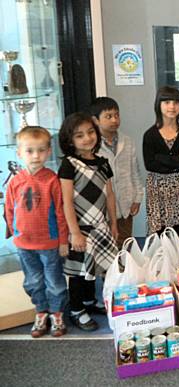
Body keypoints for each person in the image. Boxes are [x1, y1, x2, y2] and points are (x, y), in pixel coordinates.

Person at [5, 126, 69, 337]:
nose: (35, 156)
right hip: (24, 244)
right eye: (30, 151)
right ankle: (41, 311)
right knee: (33, 281)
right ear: (19, 153)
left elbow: (60, 212)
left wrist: (62, 240)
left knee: (54, 281)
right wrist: (12, 234)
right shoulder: (15, 181)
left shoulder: (52, 180)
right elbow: (9, 209)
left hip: (49, 243)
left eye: (41, 150)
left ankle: (56, 313)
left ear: (49, 151)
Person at [58, 113, 119, 330]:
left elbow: (109, 194)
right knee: (78, 272)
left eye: (91, 132)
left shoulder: (103, 163)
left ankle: (89, 302)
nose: (87, 138)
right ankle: (76, 309)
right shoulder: (69, 164)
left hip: (101, 225)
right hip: (81, 228)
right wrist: (74, 232)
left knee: (96, 268)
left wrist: (113, 223)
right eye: (79, 135)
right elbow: (66, 201)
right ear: (69, 140)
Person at [143, 86, 179, 243]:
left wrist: (161, 157)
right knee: (160, 233)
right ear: (158, 105)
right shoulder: (150, 135)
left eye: (176, 102)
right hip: (157, 188)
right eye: (166, 102)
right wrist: (175, 159)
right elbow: (150, 165)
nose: (172, 107)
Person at [91, 97, 144, 248]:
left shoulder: (127, 141)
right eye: (108, 116)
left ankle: (124, 271)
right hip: (103, 210)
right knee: (106, 249)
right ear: (95, 120)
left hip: (126, 205)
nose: (114, 120)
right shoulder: (92, 145)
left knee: (125, 247)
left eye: (117, 115)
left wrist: (138, 197)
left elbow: (135, 171)